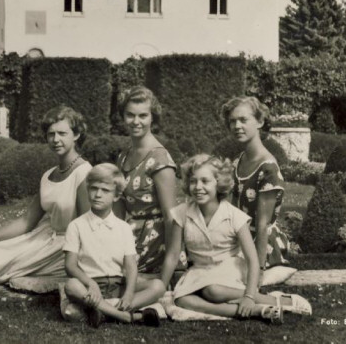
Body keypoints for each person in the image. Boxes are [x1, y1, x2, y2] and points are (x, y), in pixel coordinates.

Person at [159, 155, 311, 323]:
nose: (198, 187)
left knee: (213, 291)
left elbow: (253, 261)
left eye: (205, 181)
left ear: (219, 183)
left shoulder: (234, 216)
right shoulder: (181, 213)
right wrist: (159, 290)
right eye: (193, 181)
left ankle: (276, 301)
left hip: (230, 269)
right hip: (200, 270)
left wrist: (249, 295)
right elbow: (172, 256)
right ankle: (258, 311)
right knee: (182, 300)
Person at [0, 105, 92, 286]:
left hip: (66, 249)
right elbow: (27, 221)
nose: (55, 139)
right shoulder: (48, 175)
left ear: (76, 135)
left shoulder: (84, 173)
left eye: (62, 133)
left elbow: (89, 227)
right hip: (42, 239)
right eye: (51, 134)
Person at [63, 163, 165, 327]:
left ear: (116, 196)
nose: (98, 194)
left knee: (158, 286)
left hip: (118, 286)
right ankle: (126, 316)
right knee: (71, 285)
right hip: (90, 286)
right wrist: (91, 283)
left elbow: (131, 265)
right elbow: (70, 266)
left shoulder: (123, 227)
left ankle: (102, 312)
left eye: (105, 190)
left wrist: (129, 294)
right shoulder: (76, 225)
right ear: (87, 189)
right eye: (94, 188)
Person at [115, 86, 182, 274]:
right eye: (130, 115)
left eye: (143, 116)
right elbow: (118, 211)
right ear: (123, 117)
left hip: (155, 240)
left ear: (152, 117)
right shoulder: (123, 156)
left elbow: (171, 218)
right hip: (130, 235)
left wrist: (171, 263)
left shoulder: (160, 158)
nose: (136, 122)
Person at [221, 96, 290, 274]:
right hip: (239, 239)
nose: (237, 126)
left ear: (259, 121)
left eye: (243, 120)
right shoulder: (238, 161)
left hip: (261, 246)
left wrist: (257, 269)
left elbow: (263, 225)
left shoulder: (267, 169)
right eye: (232, 121)